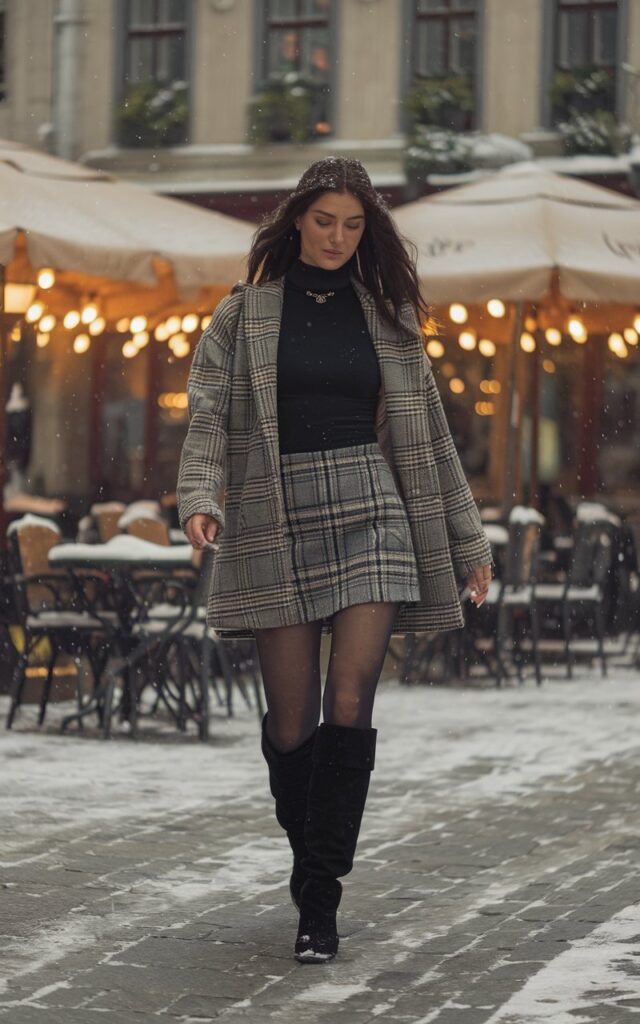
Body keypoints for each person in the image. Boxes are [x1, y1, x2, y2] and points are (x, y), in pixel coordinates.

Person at [177, 156, 492, 964]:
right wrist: (200, 496)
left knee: (349, 703)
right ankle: (310, 858)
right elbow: (209, 415)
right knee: (292, 725)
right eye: (325, 221)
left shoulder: (386, 317)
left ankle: (321, 900)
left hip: (373, 510)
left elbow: (431, 438)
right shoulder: (243, 314)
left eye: (354, 226)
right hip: (273, 510)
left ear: (368, 231)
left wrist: (467, 541)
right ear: (296, 220)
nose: (338, 238)